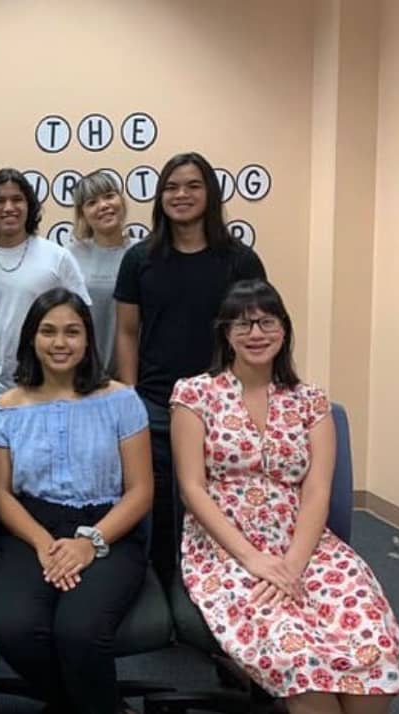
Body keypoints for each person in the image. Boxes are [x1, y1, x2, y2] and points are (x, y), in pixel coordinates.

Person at [171, 280, 399, 713]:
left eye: (266, 321)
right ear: (225, 333)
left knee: (374, 646)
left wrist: (294, 563)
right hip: (226, 547)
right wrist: (254, 560)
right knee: (300, 658)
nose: (255, 333)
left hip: (307, 542)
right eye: (242, 324)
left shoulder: (310, 401)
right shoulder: (194, 394)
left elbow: (318, 490)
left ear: (284, 329)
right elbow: (192, 489)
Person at [0, 288, 152, 714]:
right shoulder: (8, 407)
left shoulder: (120, 400)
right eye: (48, 331)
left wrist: (88, 543)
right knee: (14, 629)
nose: (60, 343)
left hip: (109, 529)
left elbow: (140, 491)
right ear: (31, 339)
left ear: (88, 339)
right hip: (30, 531)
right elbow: (0, 493)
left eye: (72, 332)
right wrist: (43, 544)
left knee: (78, 631)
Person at [113, 151, 266, 581]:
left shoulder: (240, 260)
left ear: (210, 194)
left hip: (223, 406)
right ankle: (164, 586)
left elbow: (258, 332)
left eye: (192, 186)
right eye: (172, 187)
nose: (181, 195)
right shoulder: (140, 258)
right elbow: (127, 332)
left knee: (221, 501)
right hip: (157, 405)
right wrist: (132, 395)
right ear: (160, 197)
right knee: (160, 504)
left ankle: (217, 585)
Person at [0, 168, 90, 408]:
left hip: (46, 389)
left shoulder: (57, 258)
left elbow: (83, 320)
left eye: (17, 199)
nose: (9, 207)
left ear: (29, 205)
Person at [68, 171, 132, 372]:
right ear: (82, 214)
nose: (103, 205)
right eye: (92, 202)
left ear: (120, 200)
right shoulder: (69, 257)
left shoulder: (143, 254)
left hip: (135, 374)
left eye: (109, 196)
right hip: (83, 373)